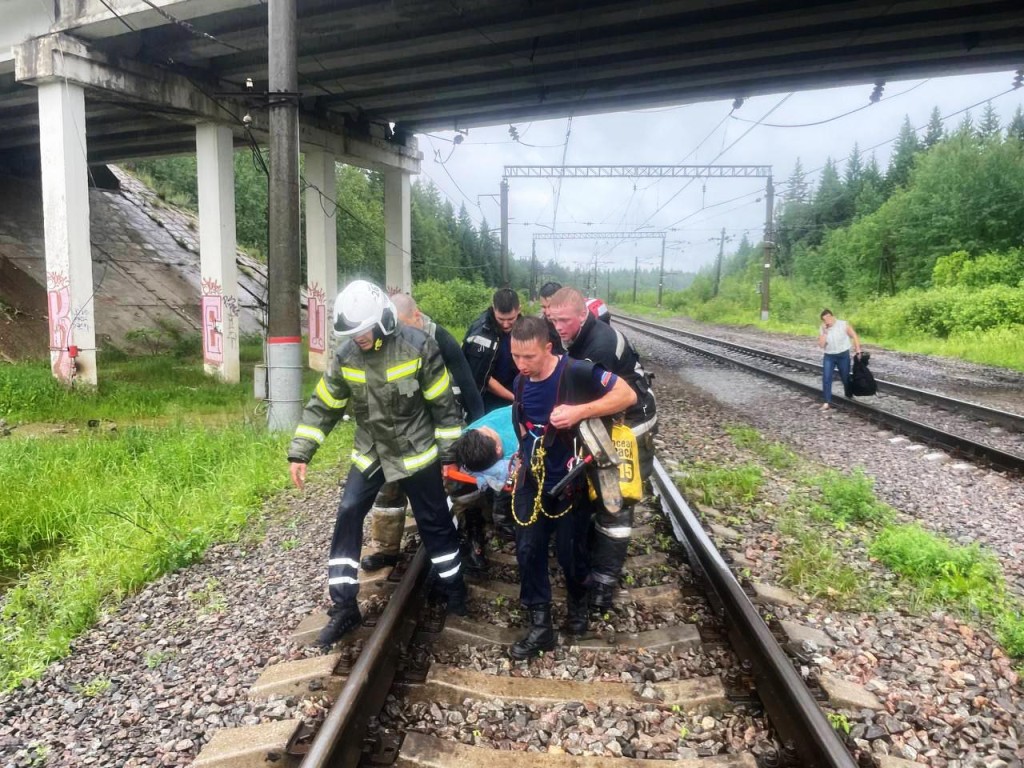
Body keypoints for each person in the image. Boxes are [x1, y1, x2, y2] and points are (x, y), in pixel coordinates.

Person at [288, 280, 467, 648]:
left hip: (415, 450)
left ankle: (454, 589)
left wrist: (450, 458)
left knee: (434, 521)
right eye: (352, 334)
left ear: (384, 320)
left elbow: (444, 408)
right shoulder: (346, 354)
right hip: (371, 450)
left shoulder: (418, 347)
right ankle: (343, 607)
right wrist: (301, 451)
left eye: (363, 331)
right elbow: (325, 404)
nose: (359, 339)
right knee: (350, 510)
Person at [507, 316, 637, 660]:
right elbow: (522, 422)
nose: (521, 365)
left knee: (570, 553)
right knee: (528, 549)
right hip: (533, 481)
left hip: (569, 483)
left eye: (529, 358)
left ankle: (578, 601)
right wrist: (521, 458)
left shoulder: (577, 371)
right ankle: (541, 626)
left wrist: (580, 411)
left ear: (547, 349)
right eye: (515, 357)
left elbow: (627, 394)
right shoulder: (521, 380)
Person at [546, 287, 657, 610]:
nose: (559, 327)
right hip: (604, 420)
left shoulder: (602, 345)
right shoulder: (573, 337)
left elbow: (624, 397)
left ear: (584, 315)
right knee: (592, 490)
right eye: (554, 320)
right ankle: (591, 547)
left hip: (630, 424)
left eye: (565, 321)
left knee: (615, 500)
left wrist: (575, 413)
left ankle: (605, 582)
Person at [360, 293, 486, 573]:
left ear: (417, 316)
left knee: (459, 482)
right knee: (389, 489)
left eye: (404, 325)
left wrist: (477, 426)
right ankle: (385, 550)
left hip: (441, 419)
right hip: (399, 426)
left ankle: (473, 538)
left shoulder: (440, 338)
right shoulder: (382, 339)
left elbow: (466, 383)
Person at [463, 288, 522, 412]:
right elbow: (482, 377)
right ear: (493, 309)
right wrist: (515, 398)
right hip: (488, 400)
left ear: (519, 310)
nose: (506, 325)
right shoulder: (480, 334)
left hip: (518, 395)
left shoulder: (525, 329)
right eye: (501, 319)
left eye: (511, 319)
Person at [817, 308, 862, 411]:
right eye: (825, 319)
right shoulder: (823, 328)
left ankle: (849, 394)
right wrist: (824, 332)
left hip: (843, 355)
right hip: (829, 356)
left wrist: (858, 349)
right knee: (826, 378)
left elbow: (854, 335)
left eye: (828, 318)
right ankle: (826, 402)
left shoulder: (843, 324)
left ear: (832, 316)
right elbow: (821, 345)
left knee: (845, 377)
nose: (827, 321)